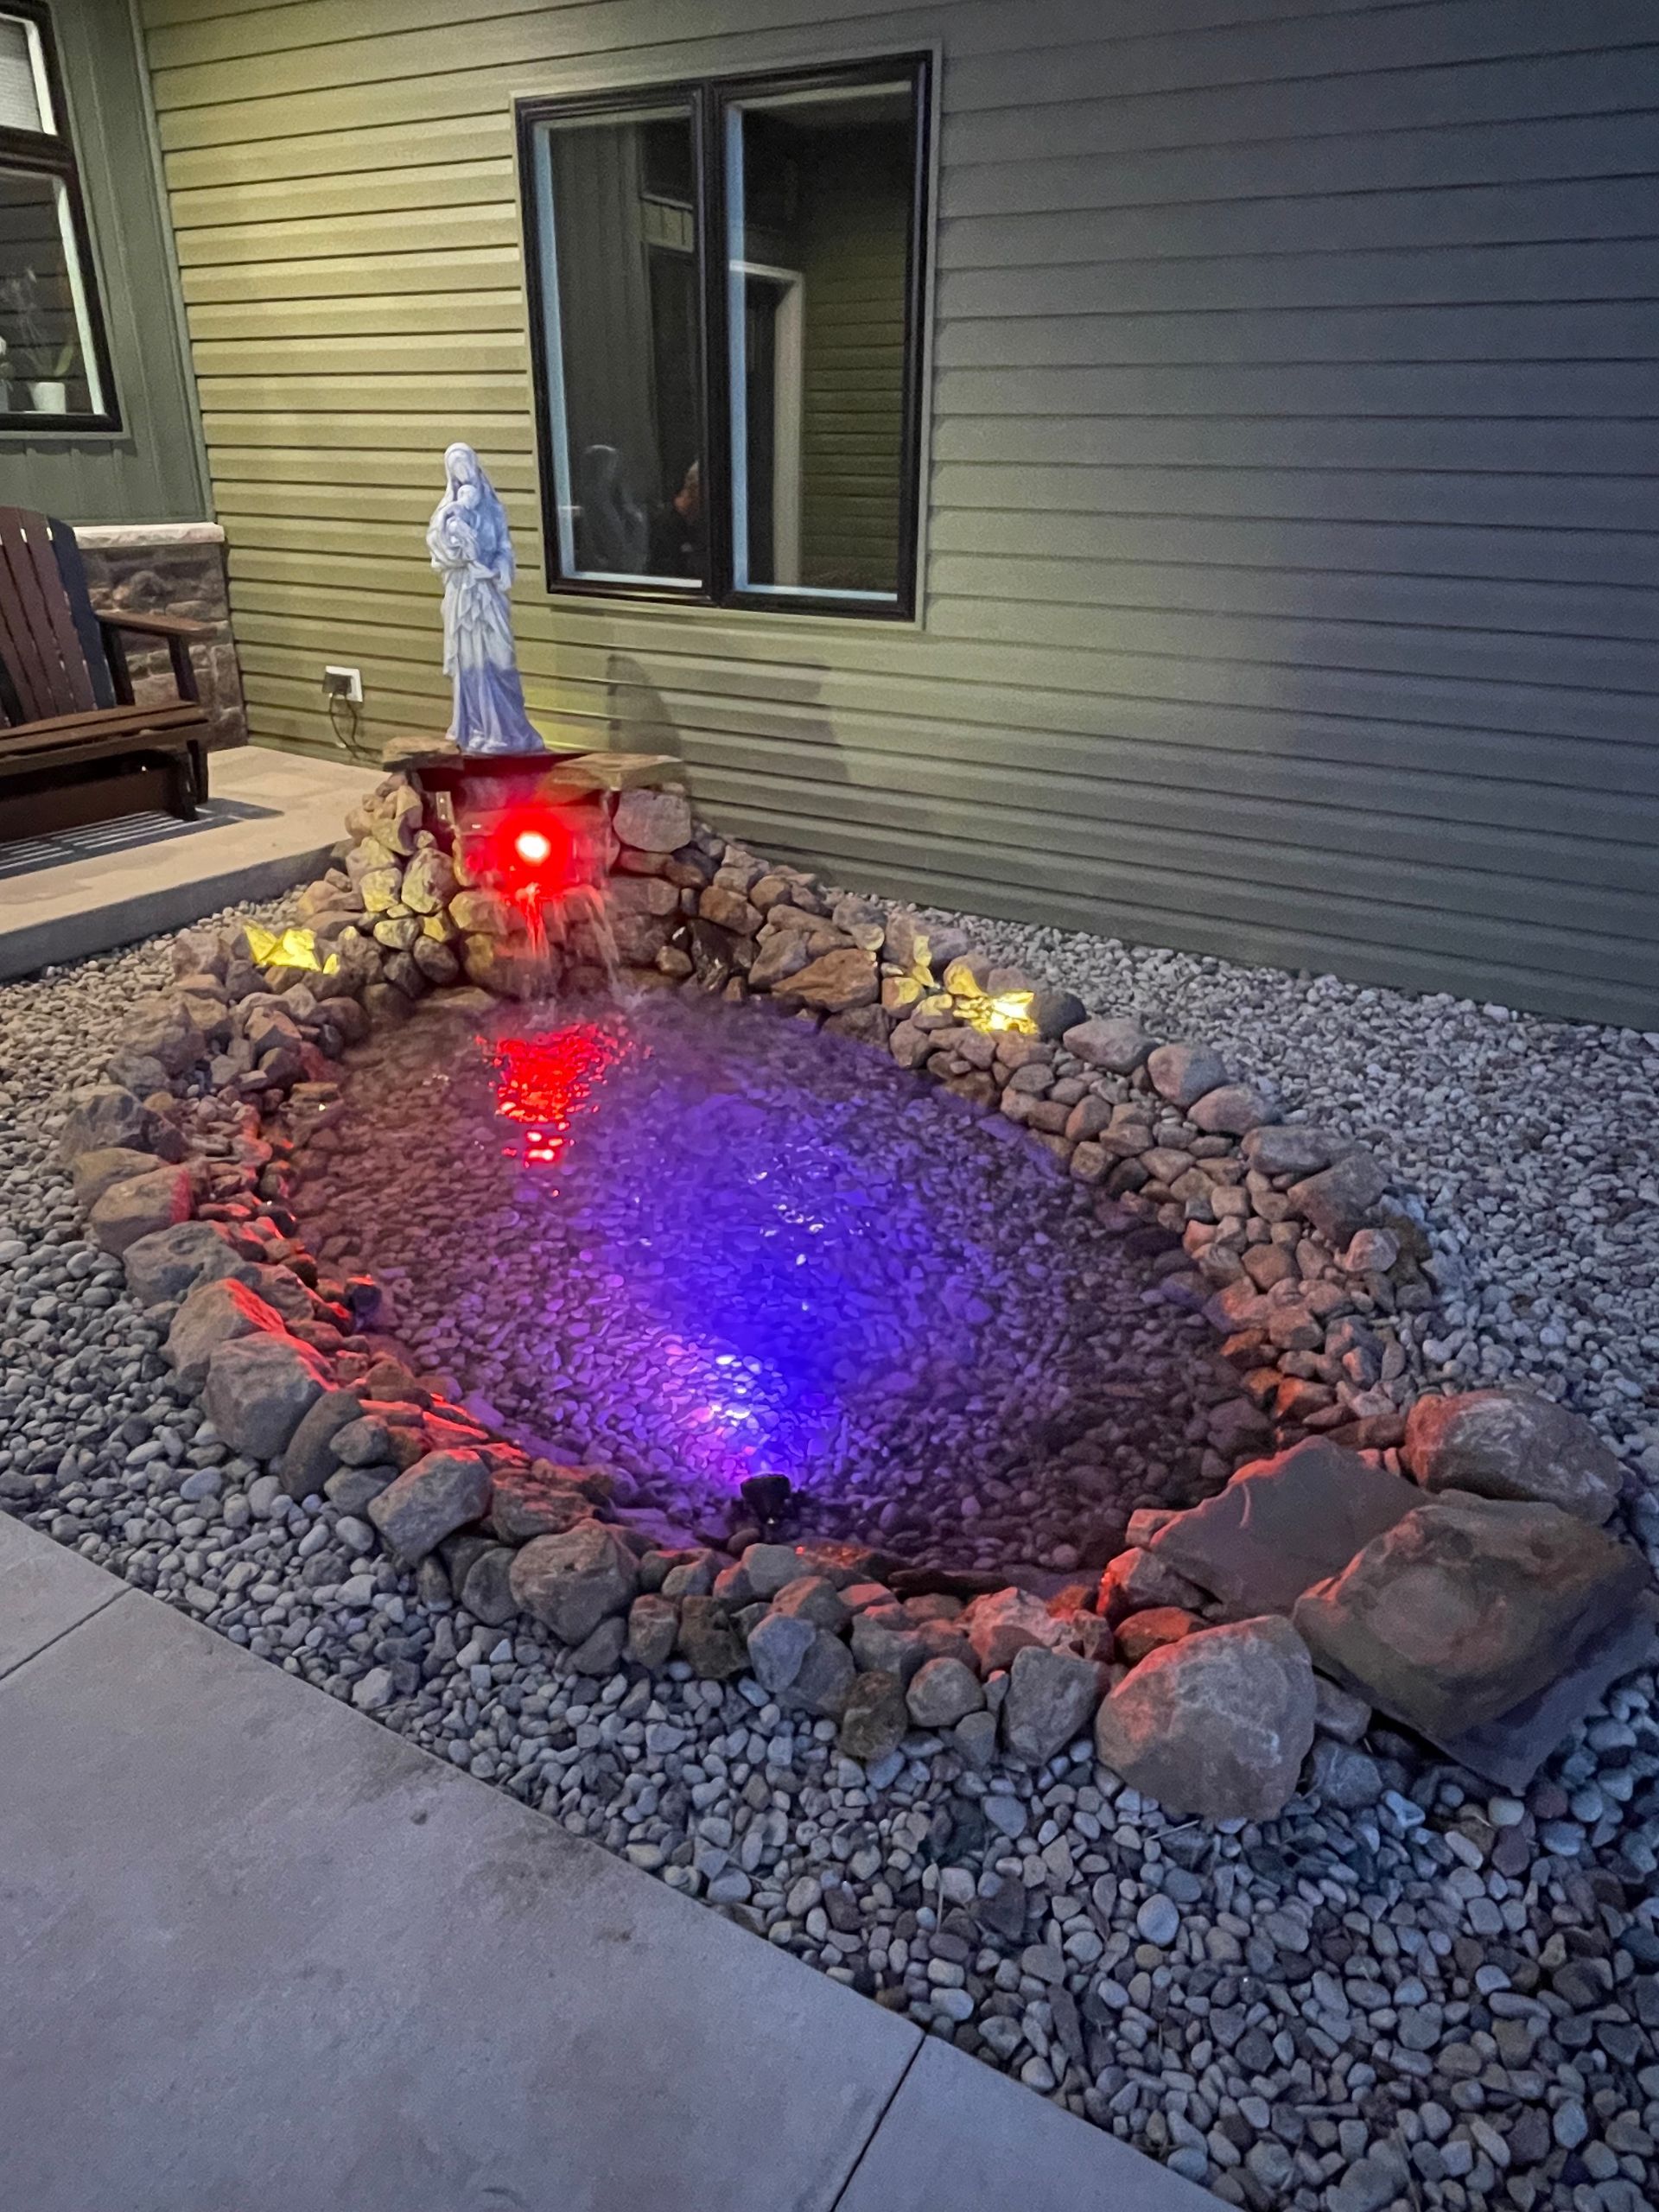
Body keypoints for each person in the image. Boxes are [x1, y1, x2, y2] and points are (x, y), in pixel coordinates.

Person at [426, 442, 545, 754]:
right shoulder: (446, 513)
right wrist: (454, 528)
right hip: (464, 597)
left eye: (466, 463)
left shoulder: (493, 509)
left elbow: (505, 548)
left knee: (502, 660)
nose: (463, 472)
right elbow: (438, 551)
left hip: (489, 592)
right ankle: (478, 729)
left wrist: (497, 570)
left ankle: (509, 729)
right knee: (472, 663)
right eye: (455, 466)